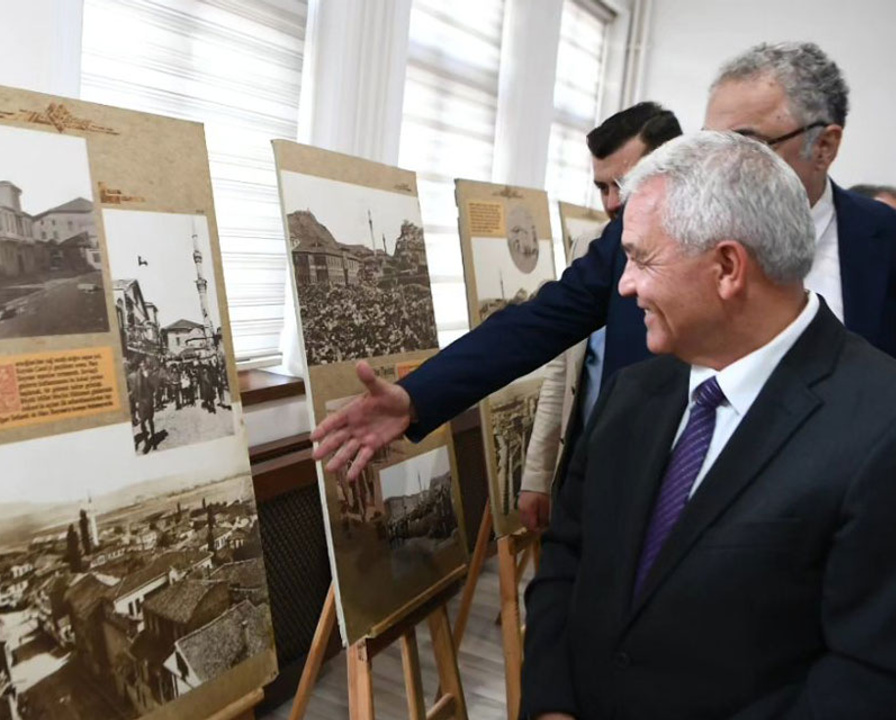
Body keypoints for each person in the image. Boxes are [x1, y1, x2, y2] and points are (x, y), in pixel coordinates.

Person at [313, 41, 896, 483]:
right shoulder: (644, 232)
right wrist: (420, 395)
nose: (719, 164)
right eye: (709, 142)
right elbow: (540, 322)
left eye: (744, 143)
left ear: (825, 145)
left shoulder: (882, 246)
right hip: (651, 501)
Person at [522, 130, 896, 720]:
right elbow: (568, 559)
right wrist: (551, 706)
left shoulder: (880, 426)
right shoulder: (632, 394)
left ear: (727, 267)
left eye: (642, 258)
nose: (625, 285)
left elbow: (866, 673)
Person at [519, 102, 682, 532]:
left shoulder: (692, 262)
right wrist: (537, 474)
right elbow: (562, 371)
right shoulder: (587, 250)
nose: (612, 203)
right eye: (601, 188)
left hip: (656, 474)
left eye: (622, 186)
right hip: (582, 460)